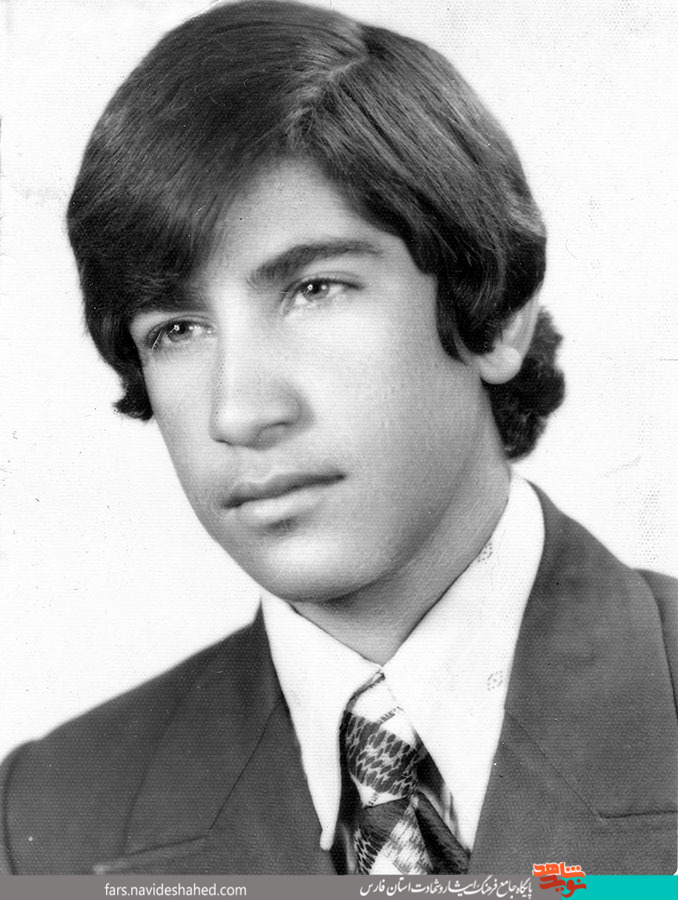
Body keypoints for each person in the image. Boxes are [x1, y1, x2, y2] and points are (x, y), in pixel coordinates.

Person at [1, 0, 675, 877]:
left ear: (498, 314)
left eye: (315, 289)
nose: (238, 412)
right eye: (176, 330)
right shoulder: (45, 817)